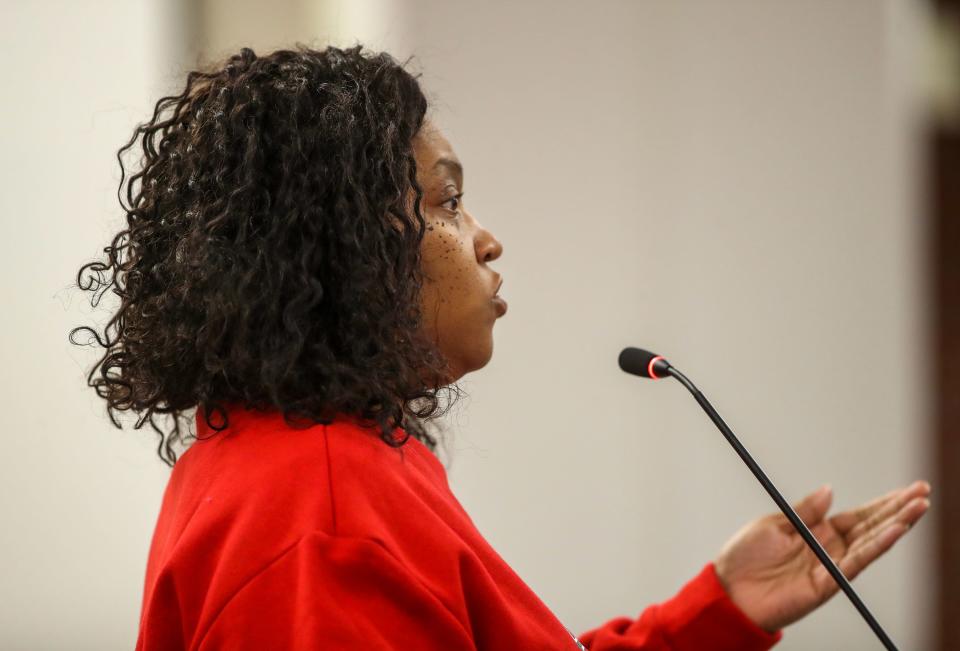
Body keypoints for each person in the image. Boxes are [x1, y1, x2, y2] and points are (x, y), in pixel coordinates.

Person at [71, 45, 931, 650]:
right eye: (447, 204)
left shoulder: (308, 453)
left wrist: (714, 611)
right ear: (341, 244)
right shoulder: (324, 511)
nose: (487, 240)